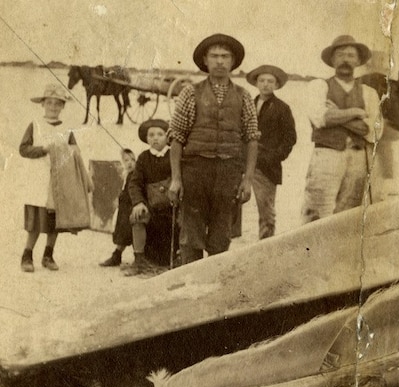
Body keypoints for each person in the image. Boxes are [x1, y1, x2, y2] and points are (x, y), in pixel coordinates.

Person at [167, 33, 259, 264]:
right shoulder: (190, 93)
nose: (220, 61)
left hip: (228, 172)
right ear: (205, 61)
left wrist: (247, 180)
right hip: (195, 171)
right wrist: (176, 179)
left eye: (225, 56)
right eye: (214, 56)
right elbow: (176, 138)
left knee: (221, 236)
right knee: (191, 235)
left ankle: (214, 287)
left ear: (233, 61)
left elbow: (251, 139)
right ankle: (190, 286)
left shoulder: (244, 96)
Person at [302, 34, 381, 223]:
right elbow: (321, 118)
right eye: (340, 55)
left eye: (351, 55)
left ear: (358, 61)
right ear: (332, 60)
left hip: (357, 159)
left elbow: (373, 131)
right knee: (317, 212)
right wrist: (356, 112)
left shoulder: (368, 93)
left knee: (348, 216)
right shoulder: (318, 86)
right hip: (327, 156)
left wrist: (337, 114)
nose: (345, 60)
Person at [18, 84, 93, 272]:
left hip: (60, 180)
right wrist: (43, 149)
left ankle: (48, 255)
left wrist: (81, 174)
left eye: (57, 104)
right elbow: (23, 149)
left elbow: (75, 152)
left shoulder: (67, 129)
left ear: (62, 107)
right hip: (38, 179)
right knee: (35, 222)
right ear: (43, 104)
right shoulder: (35, 125)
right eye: (49, 103)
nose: (53, 107)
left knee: (55, 222)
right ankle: (27, 255)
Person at [245, 65, 297, 239]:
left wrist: (273, 157)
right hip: (243, 163)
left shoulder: (282, 108)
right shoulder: (247, 104)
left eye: (270, 81)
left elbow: (290, 138)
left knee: (266, 211)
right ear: (256, 83)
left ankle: (265, 246)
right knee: (233, 207)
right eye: (262, 81)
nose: (266, 85)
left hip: (266, 167)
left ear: (276, 85)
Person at [125, 119, 180, 276]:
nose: (155, 138)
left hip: (172, 207)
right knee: (137, 215)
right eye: (151, 135)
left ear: (167, 137)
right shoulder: (143, 158)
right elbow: (134, 184)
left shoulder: (173, 155)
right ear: (146, 138)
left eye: (160, 134)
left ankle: (179, 256)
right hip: (152, 207)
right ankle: (139, 260)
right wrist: (138, 203)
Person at [99, 148, 136, 267]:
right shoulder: (127, 175)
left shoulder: (136, 175)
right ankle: (117, 255)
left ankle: (137, 257)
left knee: (133, 231)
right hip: (125, 208)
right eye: (126, 160)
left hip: (133, 206)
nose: (130, 163)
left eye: (132, 160)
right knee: (123, 231)